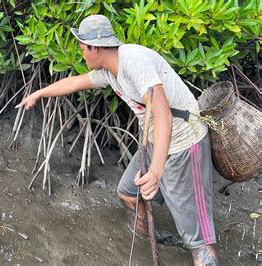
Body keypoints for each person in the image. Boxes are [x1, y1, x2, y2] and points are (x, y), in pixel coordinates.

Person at [16, 14, 218, 265]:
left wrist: (156, 171)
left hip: (184, 143)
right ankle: (154, 241)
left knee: (198, 241)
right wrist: (38, 93)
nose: (82, 55)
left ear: (96, 47)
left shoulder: (134, 62)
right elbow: (74, 83)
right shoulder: (109, 72)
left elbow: (163, 112)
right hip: (155, 140)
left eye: (82, 49)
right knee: (128, 193)